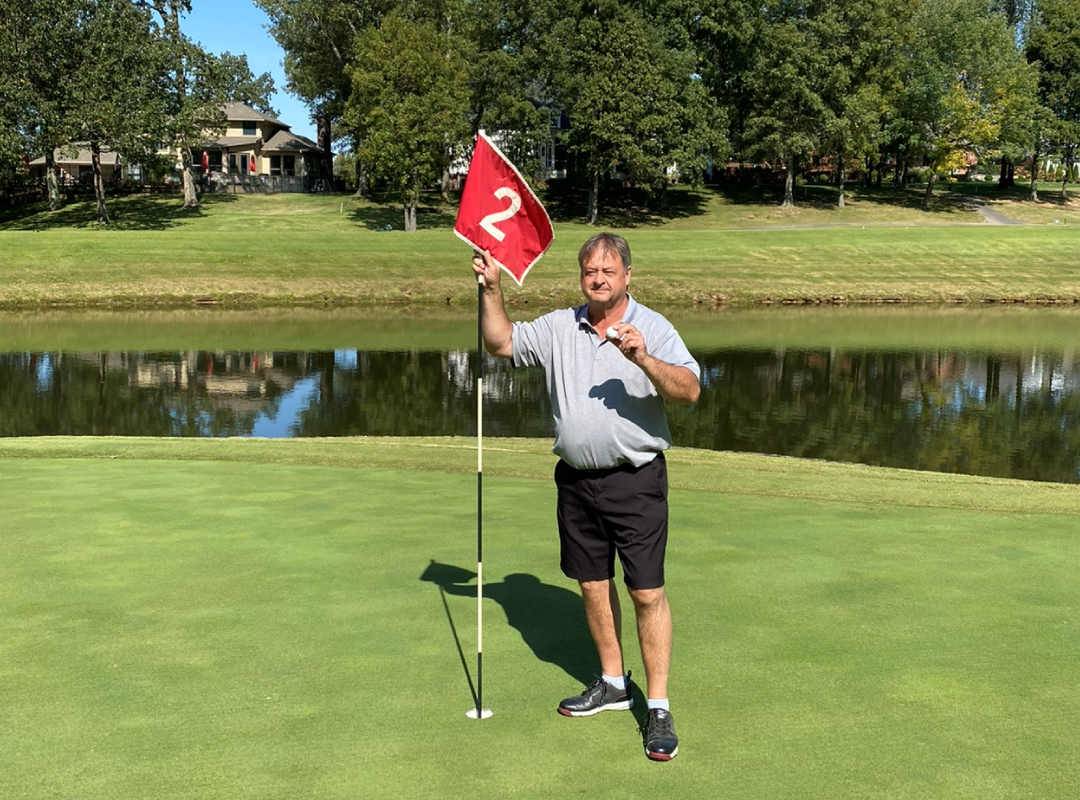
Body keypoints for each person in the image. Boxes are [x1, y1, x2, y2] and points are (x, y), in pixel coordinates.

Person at [471, 232, 700, 762]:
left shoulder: (654, 327)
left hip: (635, 480)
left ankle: (659, 706)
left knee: (646, 593)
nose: (598, 278)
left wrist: (643, 357)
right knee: (593, 585)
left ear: (627, 276)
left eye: (608, 270)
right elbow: (500, 342)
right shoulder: (558, 326)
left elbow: (690, 390)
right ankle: (614, 684)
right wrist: (491, 288)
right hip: (575, 481)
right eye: (589, 271)